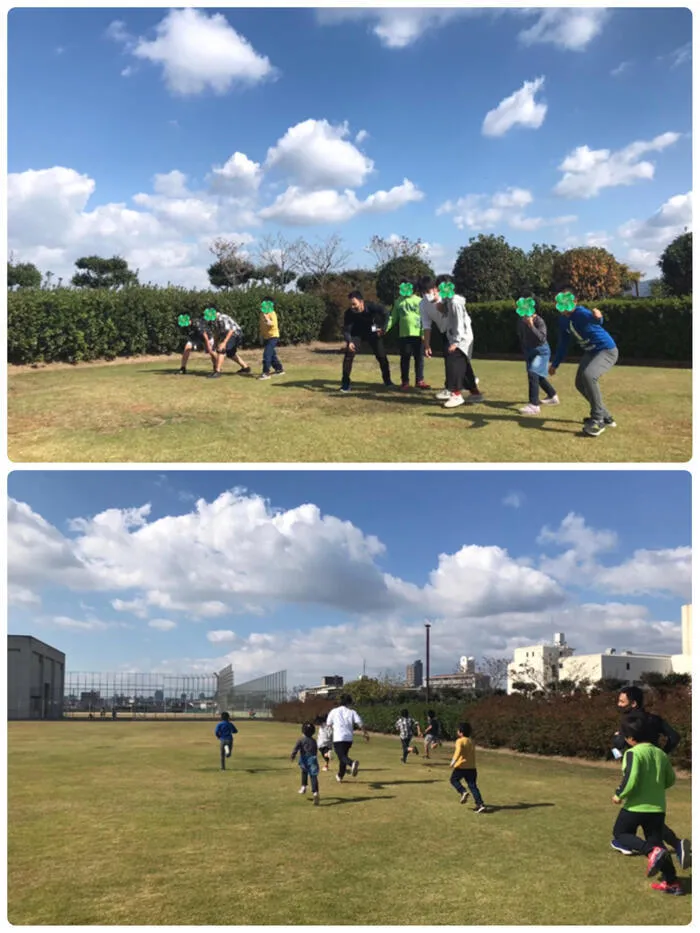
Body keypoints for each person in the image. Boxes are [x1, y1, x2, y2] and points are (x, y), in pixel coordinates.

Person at [610, 686, 689, 868]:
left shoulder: (629, 722)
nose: (618, 705)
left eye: (622, 702)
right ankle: (673, 853)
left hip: (636, 768)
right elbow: (674, 737)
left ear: (634, 703)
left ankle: (638, 845)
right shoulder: (655, 719)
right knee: (652, 820)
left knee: (634, 820)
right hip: (656, 771)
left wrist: (617, 748)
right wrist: (662, 753)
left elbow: (619, 746)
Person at [611, 711, 683, 896]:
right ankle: (672, 882)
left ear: (630, 738)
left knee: (621, 833)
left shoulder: (633, 753)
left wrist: (619, 794)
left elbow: (630, 779)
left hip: (636, 806)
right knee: (658, 842)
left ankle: (650, 851)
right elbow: (670, 779)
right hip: (658, 808)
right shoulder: (660, 753)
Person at [548, 290, 618, 437]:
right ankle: (605, 416)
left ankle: (598, 419)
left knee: (589, 375)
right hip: (591, 353)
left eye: (567, 303)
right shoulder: (563, 320)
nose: (564, 307)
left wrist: (599, 317)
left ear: (575, 302)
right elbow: (563, 343)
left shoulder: (581, 312)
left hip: (606, 350)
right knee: (580, 383)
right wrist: (555, 364)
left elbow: (596, 320)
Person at [419, 276, 483, 404]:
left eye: (432, 290)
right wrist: (426, 345)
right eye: (425, 292)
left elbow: (459, 323)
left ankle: (455, 393)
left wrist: (456, 342)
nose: (429, 294)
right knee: (460, 362)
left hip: (460, 335)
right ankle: (473, 392)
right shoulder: (432, 303)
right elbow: (428, 324)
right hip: (449, 334)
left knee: (454, 360)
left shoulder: (453, 301)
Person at [340, 291, 393, 393]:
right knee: (349, 354)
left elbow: (386, 312)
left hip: (372, 332)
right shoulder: (349, 313)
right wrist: (349, 341)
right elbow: (346, 330)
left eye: (354, 304)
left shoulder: (372, 307)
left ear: (361, 302)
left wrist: (383, 328)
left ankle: (388, 381)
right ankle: (345, 384)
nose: (352, 307)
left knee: (381, 356)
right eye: (350, 304)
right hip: (357, 334)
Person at [515, 298, 559, 415]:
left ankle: (534, 405)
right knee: (537, 376)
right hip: (529, 351)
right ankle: (552, 395)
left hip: (542, 351)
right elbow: (522, 337)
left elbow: (542, 338)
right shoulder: (520, 321)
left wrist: (531, 326)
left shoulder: (539, 321)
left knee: (533, 373)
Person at [384, 283, 431, 390]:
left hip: (418, 334)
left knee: (419, 359)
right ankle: (405, 382)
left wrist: (424, 334)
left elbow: (425, 319)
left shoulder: (420, 301)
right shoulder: (398, 301)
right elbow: (393, 318)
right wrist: (385, 329)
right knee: (405, 359)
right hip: (404, 335)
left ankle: (420, 381)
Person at [325, 694, 369, 782]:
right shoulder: (352, 712)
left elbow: (328, 723)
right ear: (349, 702)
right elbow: (360, 723)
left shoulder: (334, 711)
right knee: (343, 756)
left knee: (341, 756)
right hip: (348, 738)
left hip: (338, 737)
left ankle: (352, 763)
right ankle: (340, 775)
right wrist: (365, 733)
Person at [449, 722, 487, 813]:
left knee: (453, 780)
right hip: (472, 768)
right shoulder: (471, 741)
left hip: (462, 766)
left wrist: (453, 761)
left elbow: (458, 751)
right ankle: (480, 804)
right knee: (473, 786)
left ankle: (463, 791)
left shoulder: (460, 741)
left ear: (461, 732)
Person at [209, 309, 250, 379]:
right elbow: (216, 333)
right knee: (230, 354)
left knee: (221, 349)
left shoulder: (222, 318)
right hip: (229, 335)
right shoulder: (214, 320)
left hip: (235, 334)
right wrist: (215, 343)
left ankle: (217, 371)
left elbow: (230, 330)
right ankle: (245, 368)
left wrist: (224, 343)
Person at [290, 722, 321, 806]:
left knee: (304, 771)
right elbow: (315, 750)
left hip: (304, 759)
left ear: (302, 731)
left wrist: (292, 755)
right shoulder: (314, 741)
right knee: (313, 776)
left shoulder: (300, 740)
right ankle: (315, 792)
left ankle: (303, 787)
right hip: (313, 759)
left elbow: (296, 748)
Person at [259, 297, 285, 380]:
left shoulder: (272, 313)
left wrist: (267, 318)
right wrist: (261, 335)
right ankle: (279, 369)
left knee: (267, 354)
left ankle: (266, 373)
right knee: (272, 355)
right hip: (266, 337)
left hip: (273, 336)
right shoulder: (262, 313)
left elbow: (271, 324)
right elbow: (262, 326)